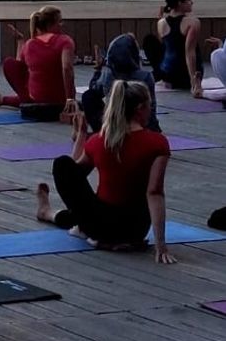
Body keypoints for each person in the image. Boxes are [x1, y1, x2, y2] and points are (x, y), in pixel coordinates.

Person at [35, 80, 174, 261]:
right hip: (136, 228)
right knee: (66, 168)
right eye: (150, 106)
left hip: (100, 226)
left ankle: (51, 214)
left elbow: (73, 177)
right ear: (140, 108)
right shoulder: (157, 143)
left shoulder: (99, 141)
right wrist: (160, 246)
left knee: (62, 164)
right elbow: (155, 193)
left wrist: (82, 136)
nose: (151, 110)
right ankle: (49, 214)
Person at [0, 6, 77, 118]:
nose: (62, 25)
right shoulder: (65, 40)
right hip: (61, 102)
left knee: (11, 65)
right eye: (59, 22)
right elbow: (67, 68)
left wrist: (20, 41)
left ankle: (1, 100)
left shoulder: (30, 44)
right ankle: (1, 100)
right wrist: (70, 98)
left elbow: (19, 69)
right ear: (51, 24)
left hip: (37, 103)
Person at [80, 33, 158, 133]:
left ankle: (103, 132)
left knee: (88, 96)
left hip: (114, 126)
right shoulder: (145, 76)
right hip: (141, 125)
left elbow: (94, 89)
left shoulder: (110, 73)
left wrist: (98, 69)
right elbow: (151, 107)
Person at [143, 0, 203, 97]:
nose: (192, 2)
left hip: (168, 75)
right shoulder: (193, 23)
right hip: (184, 77)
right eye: (189, 0)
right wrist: (193, 81)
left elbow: (166, 50)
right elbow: (189, 53)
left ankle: (158, 75)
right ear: (180, 3)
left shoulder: (161, 23)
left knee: (156, 43)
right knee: (151, 41)